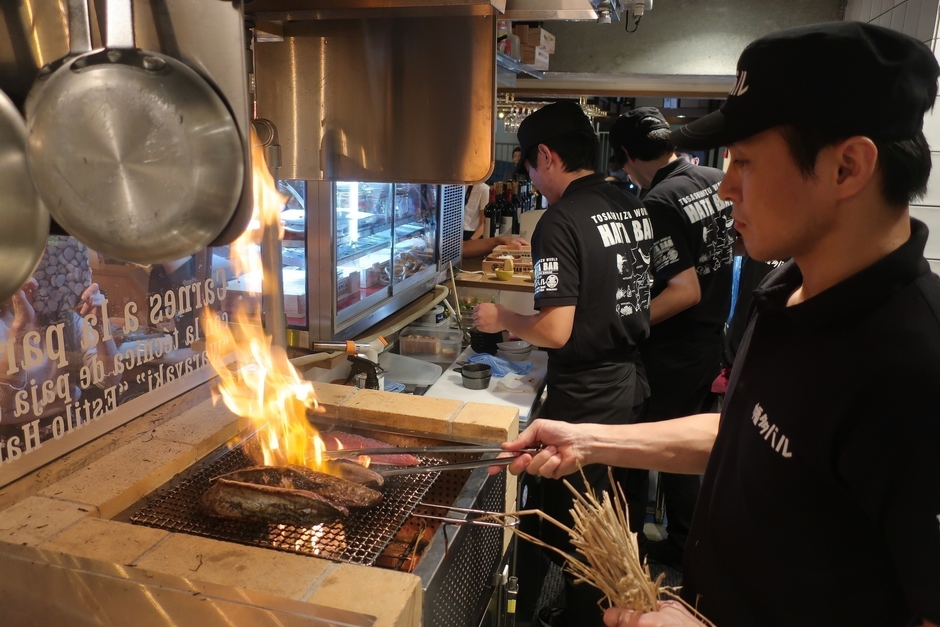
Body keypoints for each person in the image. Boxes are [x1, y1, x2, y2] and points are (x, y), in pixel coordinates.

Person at [492, 21, 940, 627]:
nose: (725, 189)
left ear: (847, 168)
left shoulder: (914, 366)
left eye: (745, 163)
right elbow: (747, 436)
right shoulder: (784, 293)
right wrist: (590, 440)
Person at [473, 100, 654, 627]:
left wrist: (504, 316)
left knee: (584, 536)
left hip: (588, 395)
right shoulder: (629, 202)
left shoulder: (559, 221)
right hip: (630, 383)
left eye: (529, 165)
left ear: (546, 156)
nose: (531, 177)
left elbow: (555, 329)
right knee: (611, 527)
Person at [609, 107, 734, 568]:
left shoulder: (659, 202)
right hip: (710, 341)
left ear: (627, 155)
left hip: (676, 350)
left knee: (644, 450)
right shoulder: (715, 178)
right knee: (690, 454)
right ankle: (687, 546)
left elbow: (684, 291)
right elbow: (730, 247)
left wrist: (626, 323)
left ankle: (638, 556)